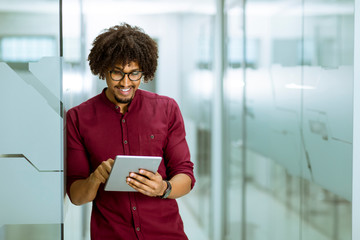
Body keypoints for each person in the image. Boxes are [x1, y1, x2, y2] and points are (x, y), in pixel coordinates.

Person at [66, 23, 195, 240]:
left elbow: (186, 176)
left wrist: (163, 188)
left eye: (134, 73)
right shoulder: (78, 118)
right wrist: (95, 178)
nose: (126, 82)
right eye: (117, 73)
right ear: (103, 70)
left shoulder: (166, 109)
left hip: (165, 234)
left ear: (143, 71)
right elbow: (77, 196)